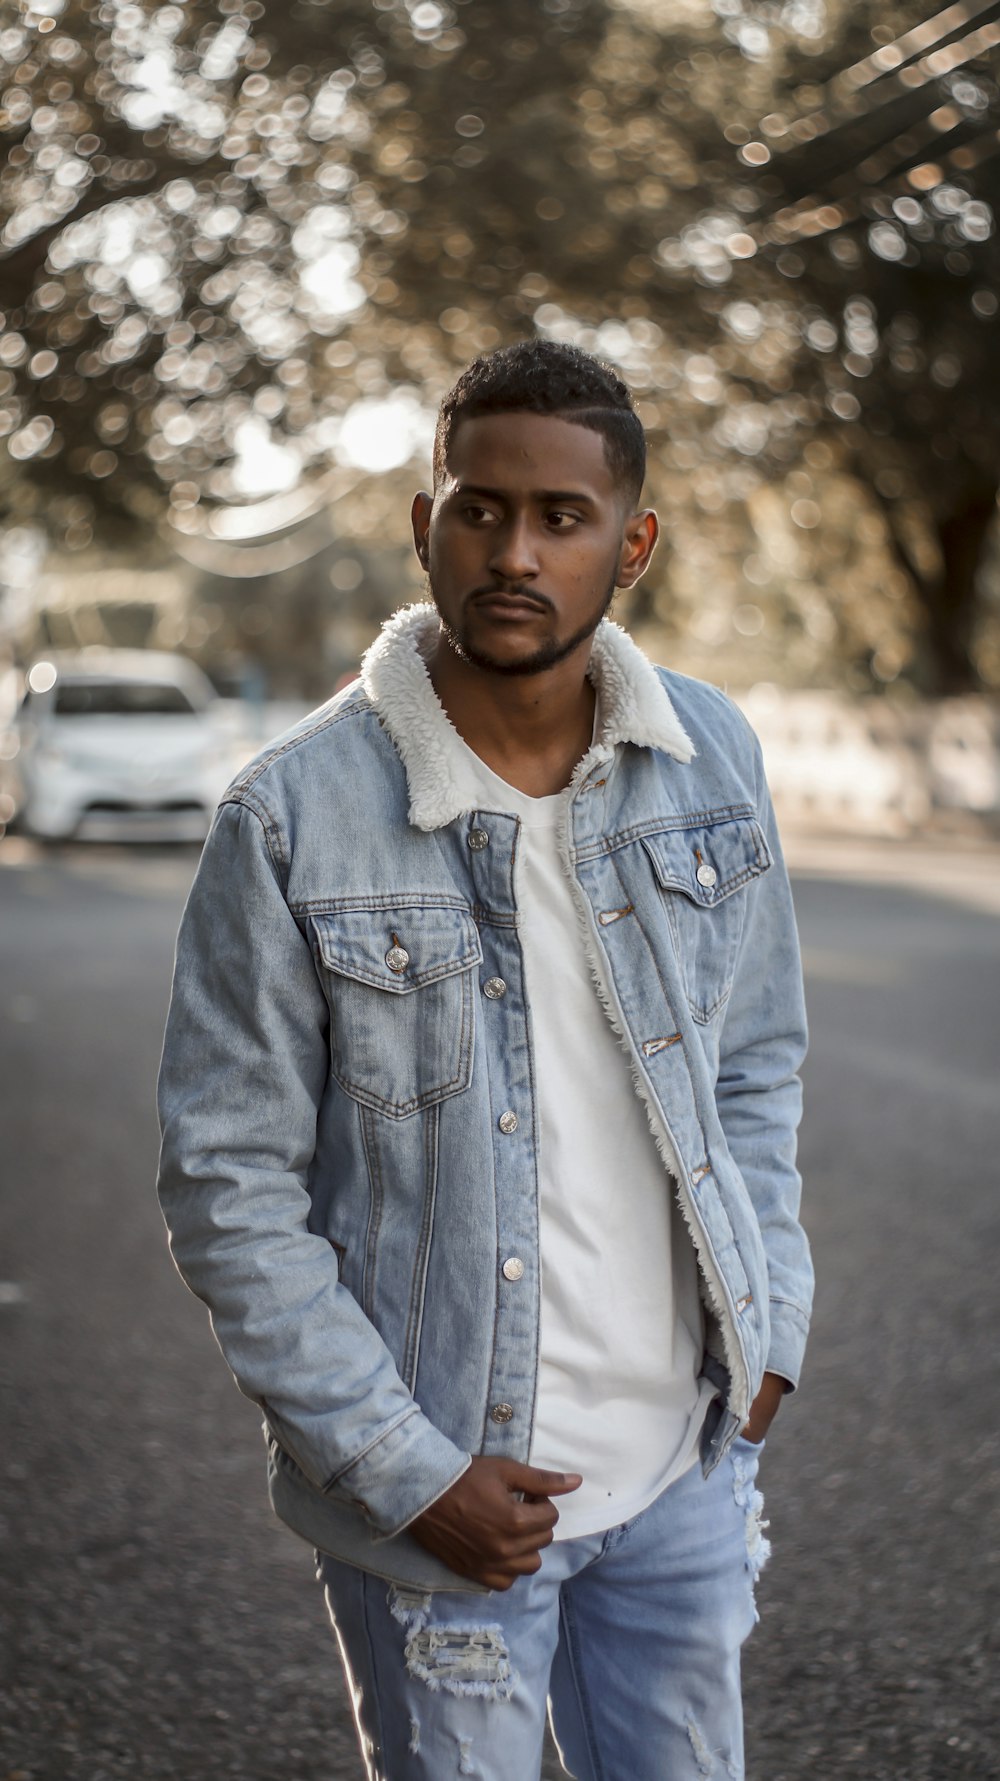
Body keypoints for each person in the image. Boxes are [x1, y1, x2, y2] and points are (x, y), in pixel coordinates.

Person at [157, 340, 811, 1781]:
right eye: (479, 508)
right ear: (425, 524)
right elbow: (228, 1186)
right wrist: (408, 1475)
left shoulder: (713, 754)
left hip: (686, 1471)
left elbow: (753, 1068)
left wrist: (774, 1327)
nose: (514, 552)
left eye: (562, 519)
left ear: (629, 544)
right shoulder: (289, 819)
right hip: (451, 1503)